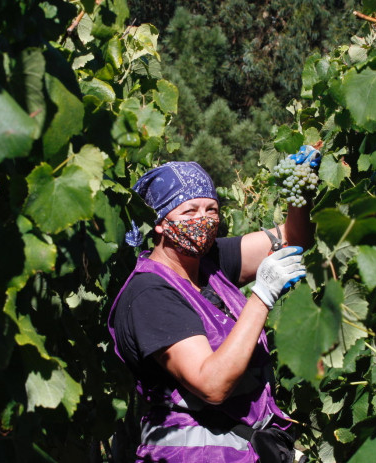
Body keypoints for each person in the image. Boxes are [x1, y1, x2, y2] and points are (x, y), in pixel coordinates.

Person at [108, 156, 317, 462]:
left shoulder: (210, 263)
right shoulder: (149, 295)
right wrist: (261, 297)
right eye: (189, 211)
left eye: (211, 209)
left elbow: (292, 239)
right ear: (160, 222)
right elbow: (212, 384)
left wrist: (300, 190)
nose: (203, 219)